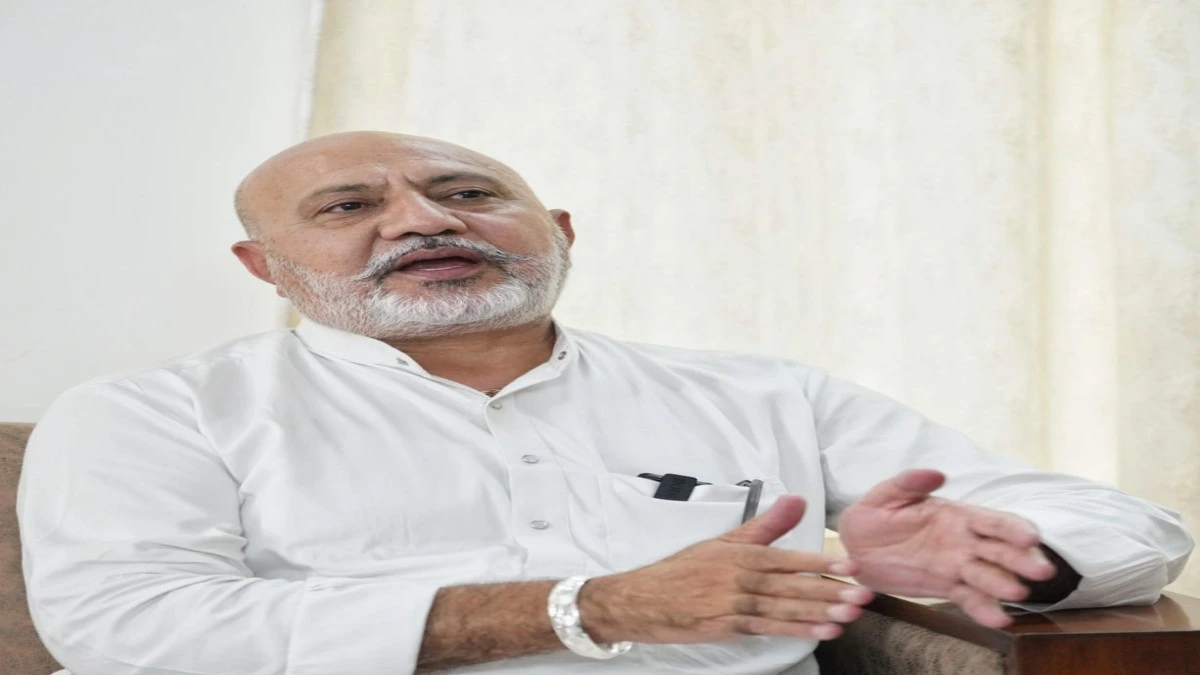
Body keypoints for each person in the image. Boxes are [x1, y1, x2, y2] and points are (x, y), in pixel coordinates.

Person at [18, 131, 1192, 675]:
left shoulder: (760, 391)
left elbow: (1132, 530)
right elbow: (130, 631)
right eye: (346, 208)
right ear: (264, 268)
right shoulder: (149, 413)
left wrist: (993, 556)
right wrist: (590, 606)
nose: (425, 220)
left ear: (560, 233)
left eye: (467, 192)